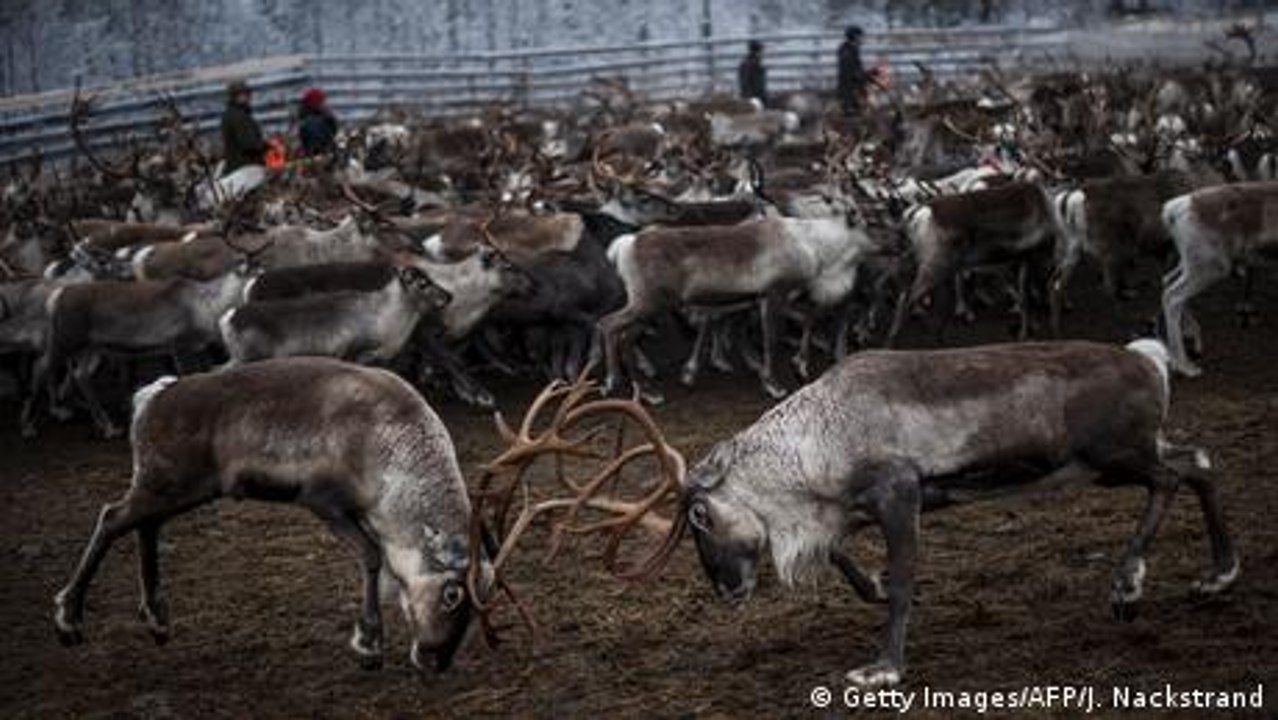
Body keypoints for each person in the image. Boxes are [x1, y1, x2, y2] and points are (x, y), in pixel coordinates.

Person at [220, 79, 266, 175]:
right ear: (234, 96)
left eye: (246, 93)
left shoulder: (231, 114)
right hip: (245, 168)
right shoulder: (238, 116)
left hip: (237, 166)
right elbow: (248, 144)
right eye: (241, 94)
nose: (247, 97)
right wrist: (266, 146)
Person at [298, 87, 339, 157]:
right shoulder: (325, 119)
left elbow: (315, 149)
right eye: (322, 101)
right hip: (328, 157)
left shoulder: (312, 123)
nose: (325, 104)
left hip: (318, 160)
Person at [836, 25, 867, 117]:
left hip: (851, 87)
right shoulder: (848, 51)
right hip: (849, 89)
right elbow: (851, 71)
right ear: (855, 37)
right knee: (854, 113)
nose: (862, 39)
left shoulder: (849, 49)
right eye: (860, 36)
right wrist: (862, 77)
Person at [738, 40, 767, 105]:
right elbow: (751, 84)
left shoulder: (746, 63)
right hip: (755, 98)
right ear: (757, 52)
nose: (763, 53)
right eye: (761, 51)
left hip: (750, 97)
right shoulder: (754, 65)